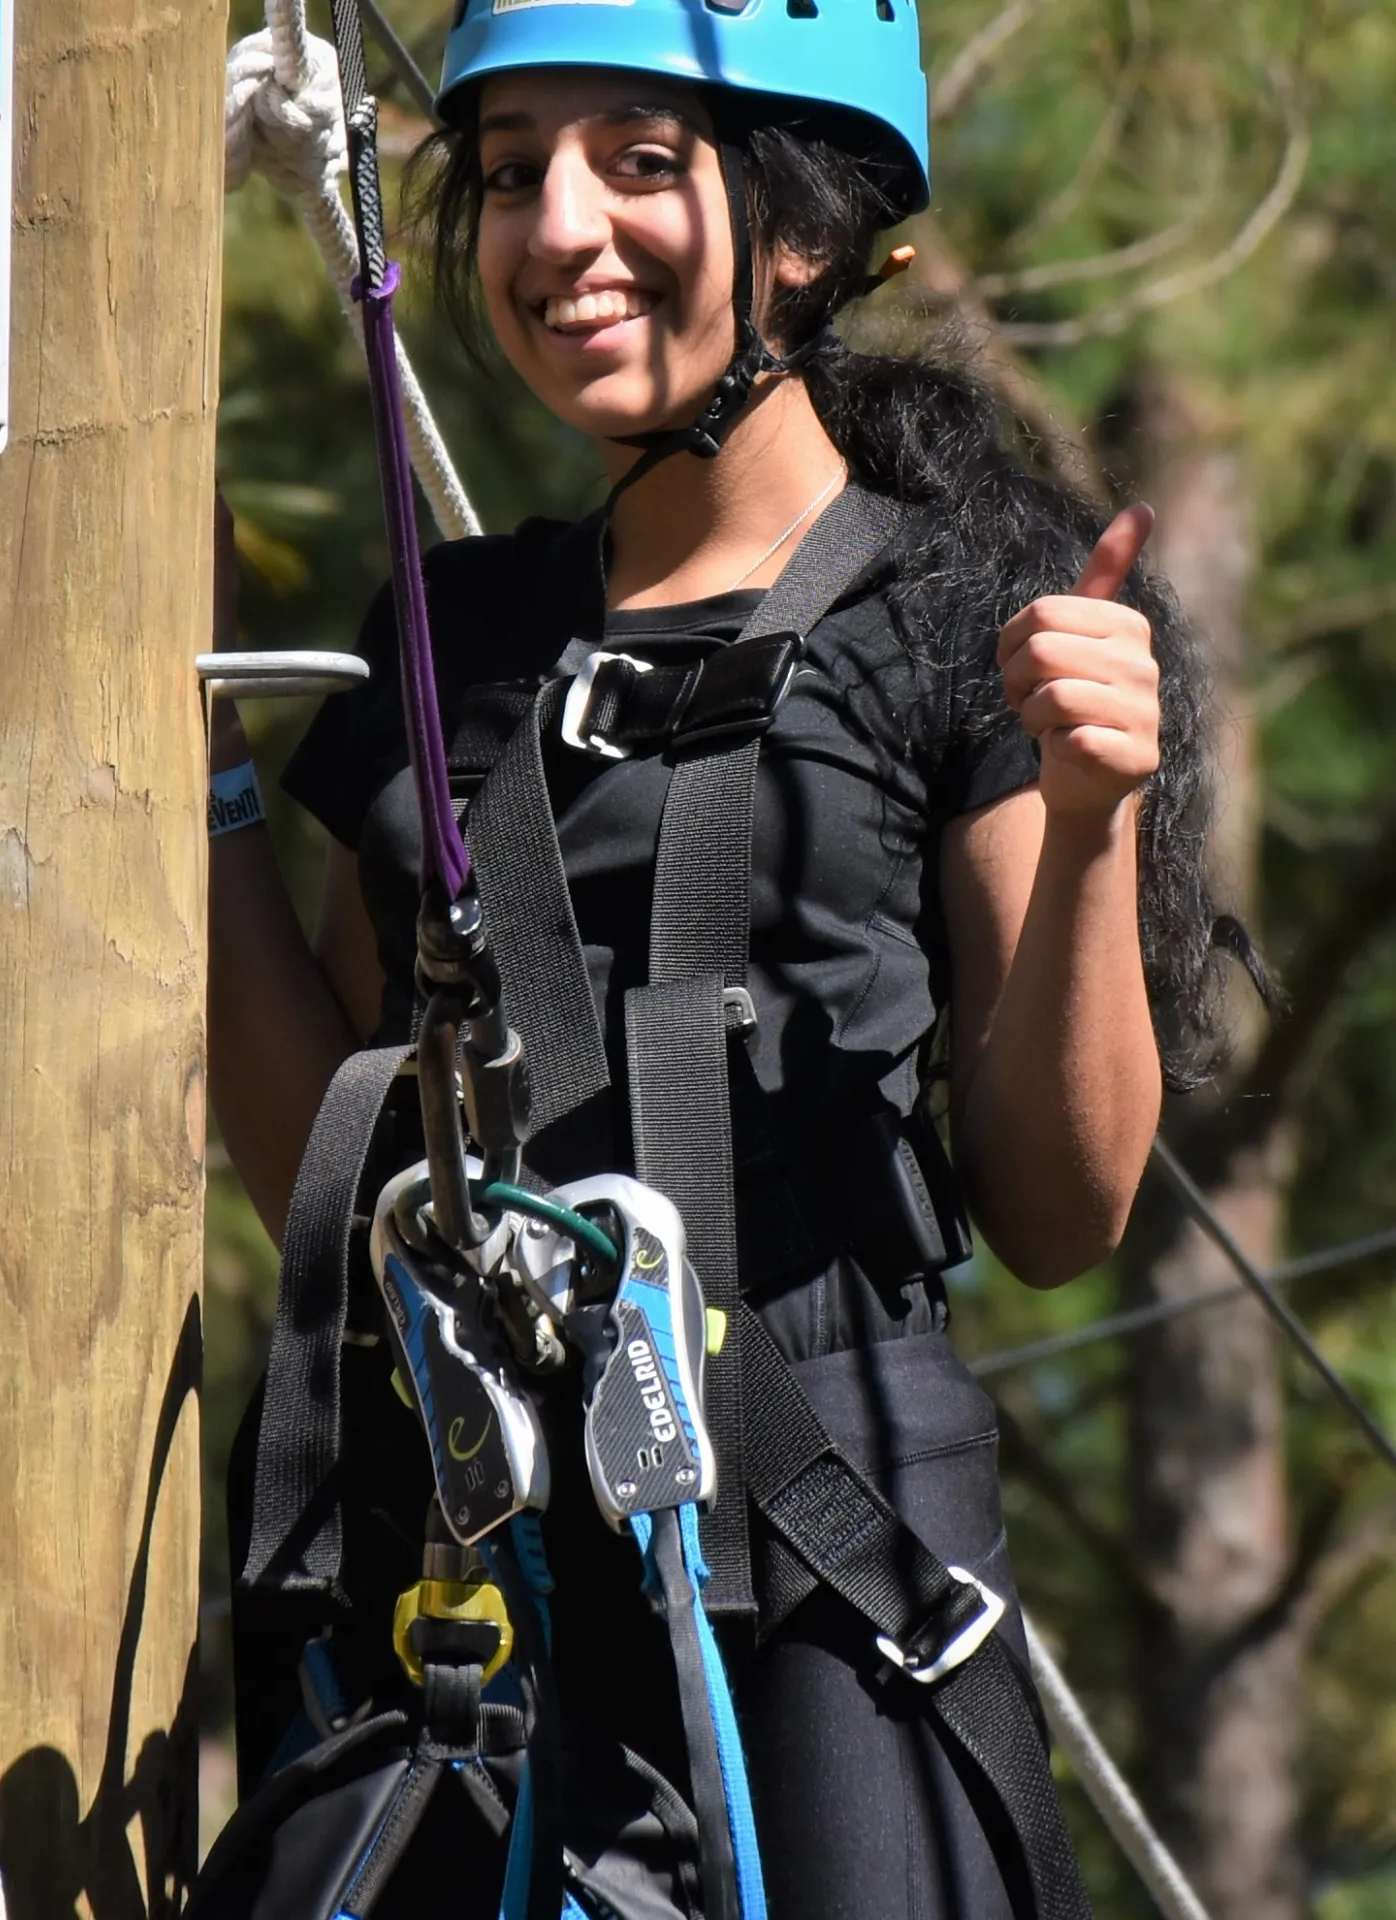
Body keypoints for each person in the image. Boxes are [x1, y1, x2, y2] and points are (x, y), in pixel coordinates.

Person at [207, 0, 1232, 1909]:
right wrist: (186, 774)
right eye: (512, 176)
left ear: (805, 231)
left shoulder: (953, 611)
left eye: (640, 162)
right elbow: (325, 1172)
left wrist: (1091, 822)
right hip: (475, 1519)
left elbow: (1064, 1204)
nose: (559, 229)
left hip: (828, 1514)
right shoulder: (451, 634)